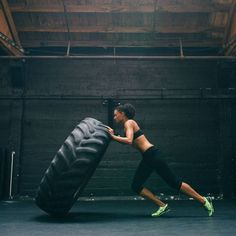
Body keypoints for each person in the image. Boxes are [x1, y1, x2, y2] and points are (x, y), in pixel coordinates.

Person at [107, 103, 214, 217]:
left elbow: (128, 140)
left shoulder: (129, 122)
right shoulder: (127, 125)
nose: (114, 117)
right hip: (149, 157)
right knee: (136, 186)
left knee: (174, 183)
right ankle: (163, 206)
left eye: (115, 115)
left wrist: (113, 137)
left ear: (122, 114)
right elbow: (129, 140)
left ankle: (203, 200)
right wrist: (114, 136)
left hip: (153, 155)